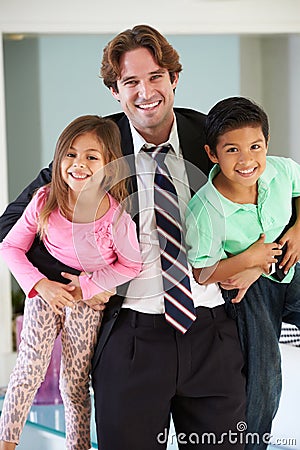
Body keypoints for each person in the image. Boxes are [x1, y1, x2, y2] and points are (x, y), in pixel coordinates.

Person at [0, 26, 247, 450]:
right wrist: (74, 282)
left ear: (174, 77)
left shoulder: (209, 135)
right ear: (115, 90)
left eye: (155, 77)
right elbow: (15, 223)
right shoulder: (95, 143)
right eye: (130, 82)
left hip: (213, 336)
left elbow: (274, 188)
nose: (145, 91)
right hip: (129, 337)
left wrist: (257, 262)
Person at [0, 115, 142, 450]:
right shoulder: (44, 200)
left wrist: (91, 286)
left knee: (75, 383)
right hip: (45, 296)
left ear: (110, 165)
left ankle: (77, 447)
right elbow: (10, 245)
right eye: (71, 154)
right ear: (59, 157)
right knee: (27, 371)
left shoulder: (116, 218)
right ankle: (7, 444)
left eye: (92, 157)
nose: (79, 164)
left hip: (86, 306)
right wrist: (40, 286)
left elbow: (132, 263)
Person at [185, 96, 300, 450]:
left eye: (255, 147)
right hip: (248, 291)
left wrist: (297, 231)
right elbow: (203, 271)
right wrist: (250, 260)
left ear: (267, 144)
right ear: (212, 154)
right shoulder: (204, 210)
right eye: (232, 150)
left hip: (288, 263)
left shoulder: (280, 169)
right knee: (264, 378)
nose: (247, 159)